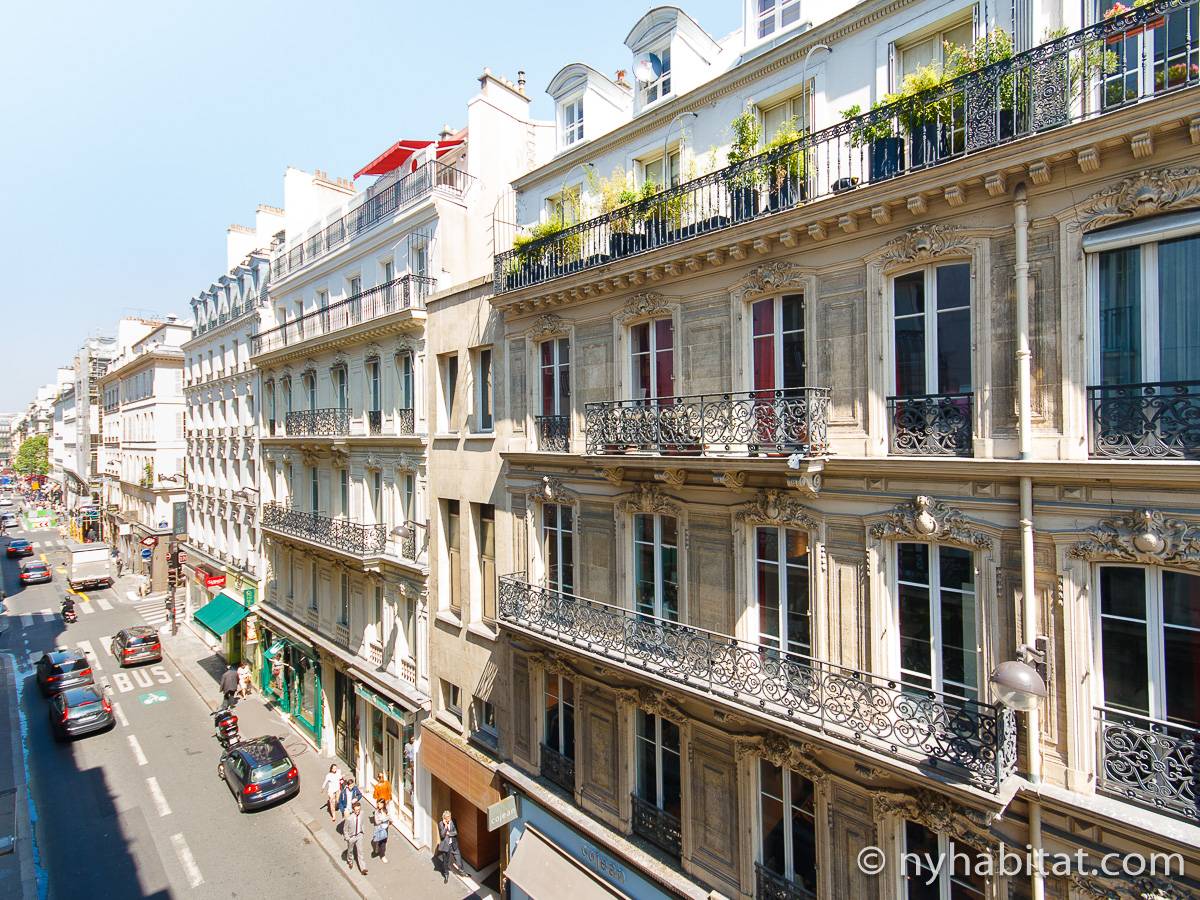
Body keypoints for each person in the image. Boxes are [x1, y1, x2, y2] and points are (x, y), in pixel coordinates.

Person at [437, 810, 463, 883]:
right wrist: (445, 826)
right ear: (444, 818)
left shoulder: (453, 821)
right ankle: (446, 875)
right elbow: (442, 835)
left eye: (450, 817)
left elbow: (456, 832)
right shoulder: (441, 824)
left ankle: (462, 870)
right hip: (446, 846)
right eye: (448, 818)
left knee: (458, 858)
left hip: (453, 844)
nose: (450, 819)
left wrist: (449, 834)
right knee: (446, 862)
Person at [343, 800, 368, 875]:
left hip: (359, 835)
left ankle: (363, 868)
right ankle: (350, 861)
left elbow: (362, 822)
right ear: (353, 810)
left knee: (360, 851)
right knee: (350, 851)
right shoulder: (349, 818)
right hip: (352, 837)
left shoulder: (362, 813)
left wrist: (362, 831)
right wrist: (348, 838)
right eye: (356, 810)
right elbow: (345, 829)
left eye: (359, 809)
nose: (358, 811)